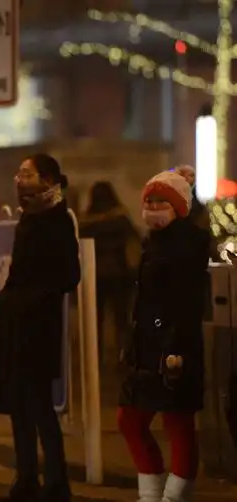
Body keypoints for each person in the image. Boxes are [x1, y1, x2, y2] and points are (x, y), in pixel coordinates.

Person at [117, 171, 209, 502]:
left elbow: (185, 304)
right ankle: (152, 495)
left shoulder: (187, 245)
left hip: (173, 347)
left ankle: (172, 497)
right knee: (131, 420)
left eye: (162, 201)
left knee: (177, 422)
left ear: (179, 207)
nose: (154, 207)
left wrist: (172, 346)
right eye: (150, 200)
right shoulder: (153, 242)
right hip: (148, 345)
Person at [0, 154, 80, 502]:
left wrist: (30, 298)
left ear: (48, 180)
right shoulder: (28, 217)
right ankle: (26, 479)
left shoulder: (58, 220)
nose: (20, 180)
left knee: (40, 407)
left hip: (39, 328)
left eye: (27, 174)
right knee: (18, 406)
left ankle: (57, 483)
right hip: (16, 326)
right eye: (19, 174)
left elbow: (69, 276)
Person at [80, 181, 140, 365]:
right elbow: (135, 239)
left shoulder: (87, 222)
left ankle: (94, 359)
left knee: (94, 321)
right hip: (120, 274)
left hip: (94, 276)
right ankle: (124, 358)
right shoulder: (120, 219)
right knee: (122, 320)